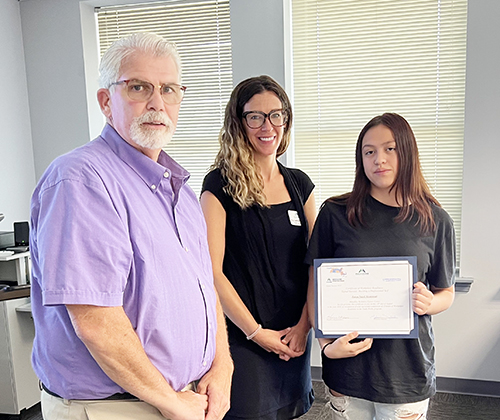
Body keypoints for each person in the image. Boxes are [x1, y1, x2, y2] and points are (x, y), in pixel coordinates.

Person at [29, 33, 233, 420]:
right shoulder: (81, 180)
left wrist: (223, 366)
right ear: (107, 101)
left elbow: (205, 291)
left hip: (183, 400)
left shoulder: (181, 193)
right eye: (139, 87)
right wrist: (170, 401)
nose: (158, 103)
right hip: (118, 408)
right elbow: (96, 322)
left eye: (170, 89)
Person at [306, 113, 456, 420]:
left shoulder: (436, 220)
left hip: (405, 374)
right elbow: (314, 286)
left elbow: (446, 293)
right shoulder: (336, 214)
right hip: (347, 370)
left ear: (408, 152)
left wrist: (430, 302)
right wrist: (325, 346)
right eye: (369, 151)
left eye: (390, 149)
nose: (379, 160)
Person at [200, 75, 316, 420]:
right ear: (239, 123)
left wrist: (303, 326)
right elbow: (211, 272)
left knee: (289, 412)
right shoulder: (219, 185)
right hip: (242, 337)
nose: (268, 126)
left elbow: (316, 263)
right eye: (255, 117)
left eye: (276, 115)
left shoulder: (300, 184)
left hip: (294, 332)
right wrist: (256, 332)